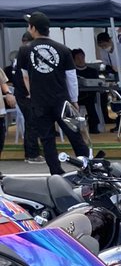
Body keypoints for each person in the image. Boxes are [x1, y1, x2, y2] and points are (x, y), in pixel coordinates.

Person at [21, 12, 89, 174]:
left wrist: (32, 95)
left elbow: (25, 77)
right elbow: (71, 77)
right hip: (61, 99)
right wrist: (74, 100)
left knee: (47, 138)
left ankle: (56, 172)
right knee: (74, 134)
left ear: (33, 28)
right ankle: (87, 166)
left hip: (39, 101)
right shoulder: (63, 49)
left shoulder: (25, 51)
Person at [8, 33, 41, 162]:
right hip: (25, 94)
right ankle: (32, 154)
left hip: (21, 92)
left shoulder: (19, 56)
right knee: (32, 123)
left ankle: (32, 152)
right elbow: (22, 77)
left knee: (31, 123)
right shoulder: (25, 55)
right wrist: (29, 92)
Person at [71, 48, 105, 133]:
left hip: (90, 95)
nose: (81, 60)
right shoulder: (72, 72)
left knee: (91, 103)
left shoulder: (92, 71)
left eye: (82, 57)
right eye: (78, 58)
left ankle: (94, 125)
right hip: (76, 96)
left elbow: (96, 83)